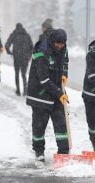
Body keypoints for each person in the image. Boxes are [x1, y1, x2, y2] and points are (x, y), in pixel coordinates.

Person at [26, 29, 69, 163]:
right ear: (52, 41)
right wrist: (59, 93)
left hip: (56, 91)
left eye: (62, 44)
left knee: (61, 124)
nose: (60, 46)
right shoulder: (41, 52)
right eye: (57, 43)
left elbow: (65, 63)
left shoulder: (63, 49)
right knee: (39, 126)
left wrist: (64, 75)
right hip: (39, 93)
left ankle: (63, 153)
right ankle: (39, 151)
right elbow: (43, 79)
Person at [5, 23, 33, 96]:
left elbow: (7, 45)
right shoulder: (27, 35)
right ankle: (25, 91)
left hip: (17, 57)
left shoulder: (14, 34)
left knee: (16, 74)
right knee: (23, 74)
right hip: (25, 58)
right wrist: (29, 55)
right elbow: (32, 47)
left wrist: (9, 52)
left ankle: (18, 91)